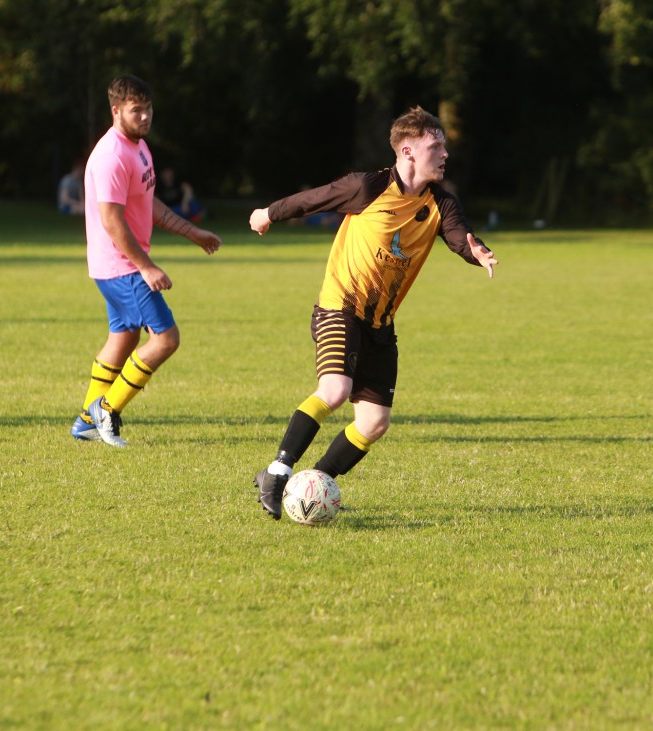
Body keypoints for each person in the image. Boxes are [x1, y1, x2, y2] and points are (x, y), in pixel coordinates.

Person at [248, 105, 498, 519]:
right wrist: (267, 213)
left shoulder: (441, 203)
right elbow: (313, 199)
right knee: (334, 390)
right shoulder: (368, 187)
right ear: (407, 151)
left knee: (374, 423)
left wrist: (477, 252)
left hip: (380, 325)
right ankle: (276, 474)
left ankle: (316, 484)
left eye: (444, 146)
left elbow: (460, 237)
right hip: (339, 307)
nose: (444, 153)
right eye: (435, 146)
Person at [70, 75, 222, 447]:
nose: (144, 116)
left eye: (148, 108)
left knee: (124, 338)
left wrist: (193, 233)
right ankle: (106, 408)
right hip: (121, 266)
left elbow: (147, 202)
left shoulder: (137, 147)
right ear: (116, 111)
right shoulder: (111, 156)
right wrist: (145, 266)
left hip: (116, 265)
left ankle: (87, 421)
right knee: (166, 339)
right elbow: (112, 221)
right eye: (136, 110)